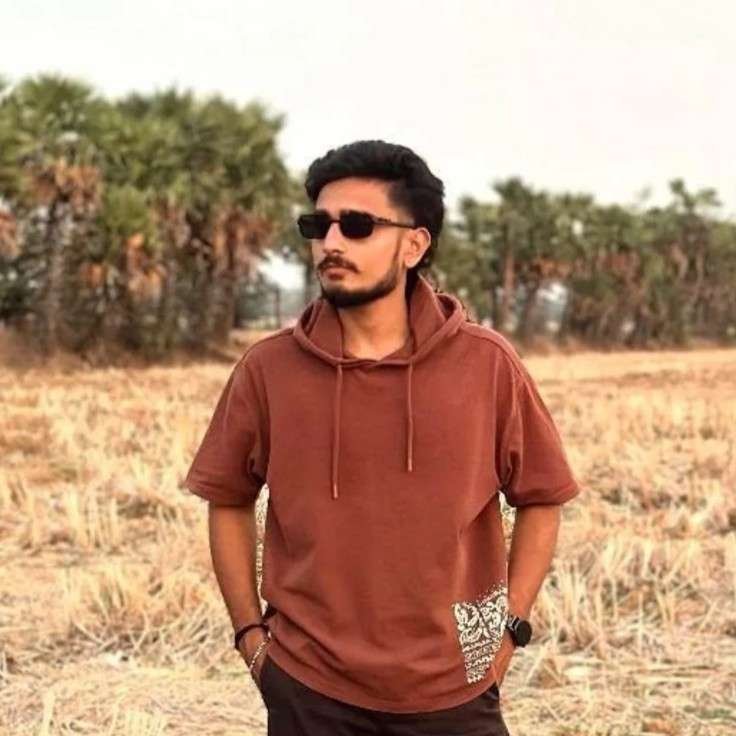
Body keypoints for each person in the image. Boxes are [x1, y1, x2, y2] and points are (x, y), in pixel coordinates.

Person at [184, 140, 581, 735]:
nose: (331, 242)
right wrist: (251, 639)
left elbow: (543, 498)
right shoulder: (269, 369)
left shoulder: (486, 364)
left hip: (454, 688)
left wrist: (506, 634)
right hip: (309, 687)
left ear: (414, 245)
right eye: (318, 225)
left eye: (358, 226)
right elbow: (228, 499)